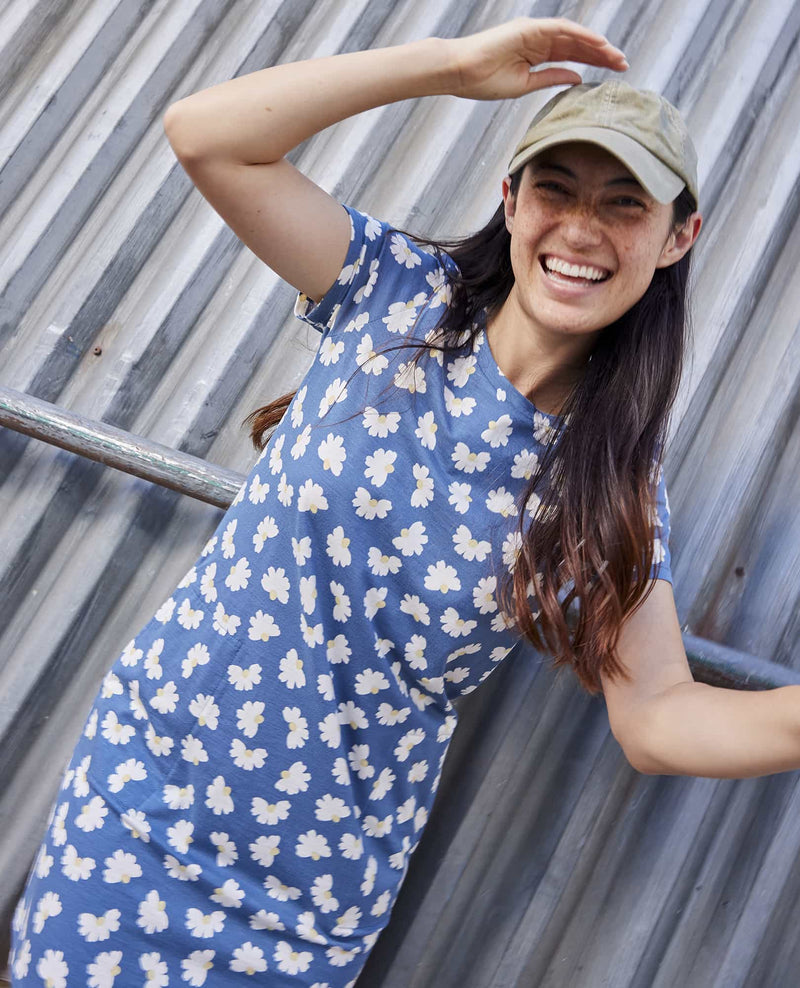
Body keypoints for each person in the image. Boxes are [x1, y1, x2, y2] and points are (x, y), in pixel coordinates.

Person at [9, 15, 800, 988]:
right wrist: (450, 65)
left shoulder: (603, 484)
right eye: (555, 187)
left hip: (301, 904)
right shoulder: (394, 294)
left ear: (677, 238)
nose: (580, 228)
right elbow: (207, 136)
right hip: (138, 804)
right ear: (510, 199)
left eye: (624, 203)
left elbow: (660, 718)